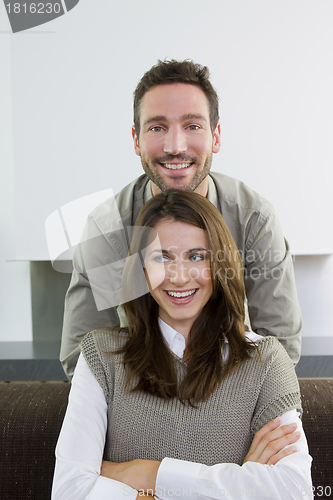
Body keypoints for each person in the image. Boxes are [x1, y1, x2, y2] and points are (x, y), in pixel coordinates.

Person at [52, 191, 312, 500]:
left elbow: (295, 490)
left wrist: (150, 475)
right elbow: (69, 491)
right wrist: (238, 483)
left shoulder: (266, 360)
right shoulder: (102, 356)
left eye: (196, 256)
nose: (178, 277)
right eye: (161, 257)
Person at [60, 59, 302, 380]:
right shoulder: (109, 229)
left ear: (215, 136)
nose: (175, 147)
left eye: (192, 126)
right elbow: (83, 357)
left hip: (229, 394)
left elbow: (279, 346)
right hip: (142, 396)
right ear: (136, 139)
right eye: (157, 128)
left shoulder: (254, 220)